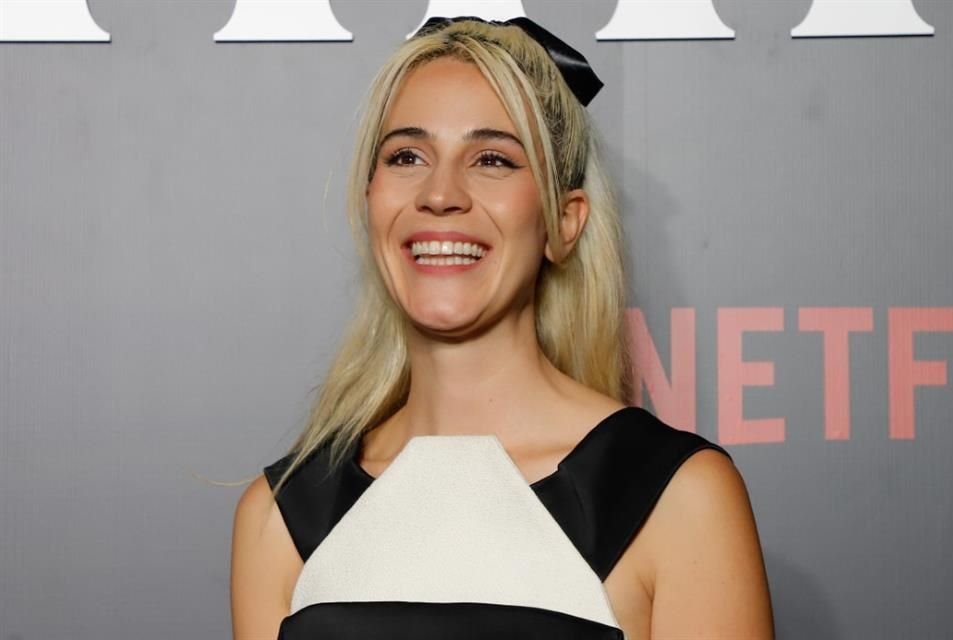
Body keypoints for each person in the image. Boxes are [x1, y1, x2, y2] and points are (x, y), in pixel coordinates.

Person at [231, 16, 774, 640]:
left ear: (564, 222)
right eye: (407, 156)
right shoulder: (280, 515)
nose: (440, 194)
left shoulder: (676, 499)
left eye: (492, 159)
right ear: (370, 201)